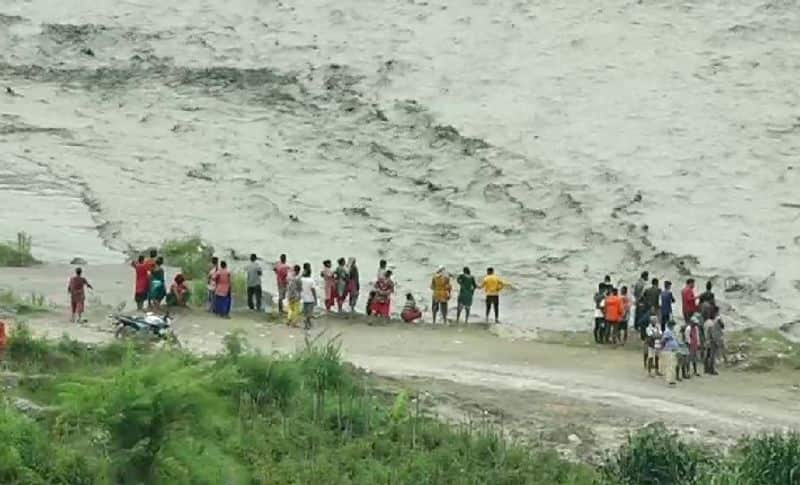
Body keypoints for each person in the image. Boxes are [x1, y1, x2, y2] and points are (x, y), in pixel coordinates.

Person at [659, 320, 680, 386]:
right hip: (668, 350)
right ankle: (670, 380)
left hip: (673, 350)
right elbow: (663, 340)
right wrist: (662, 348)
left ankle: (672, 379)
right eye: (673, 325)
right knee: (670, 366)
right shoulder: (667, 332)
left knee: (673, 365)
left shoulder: (671, 332)